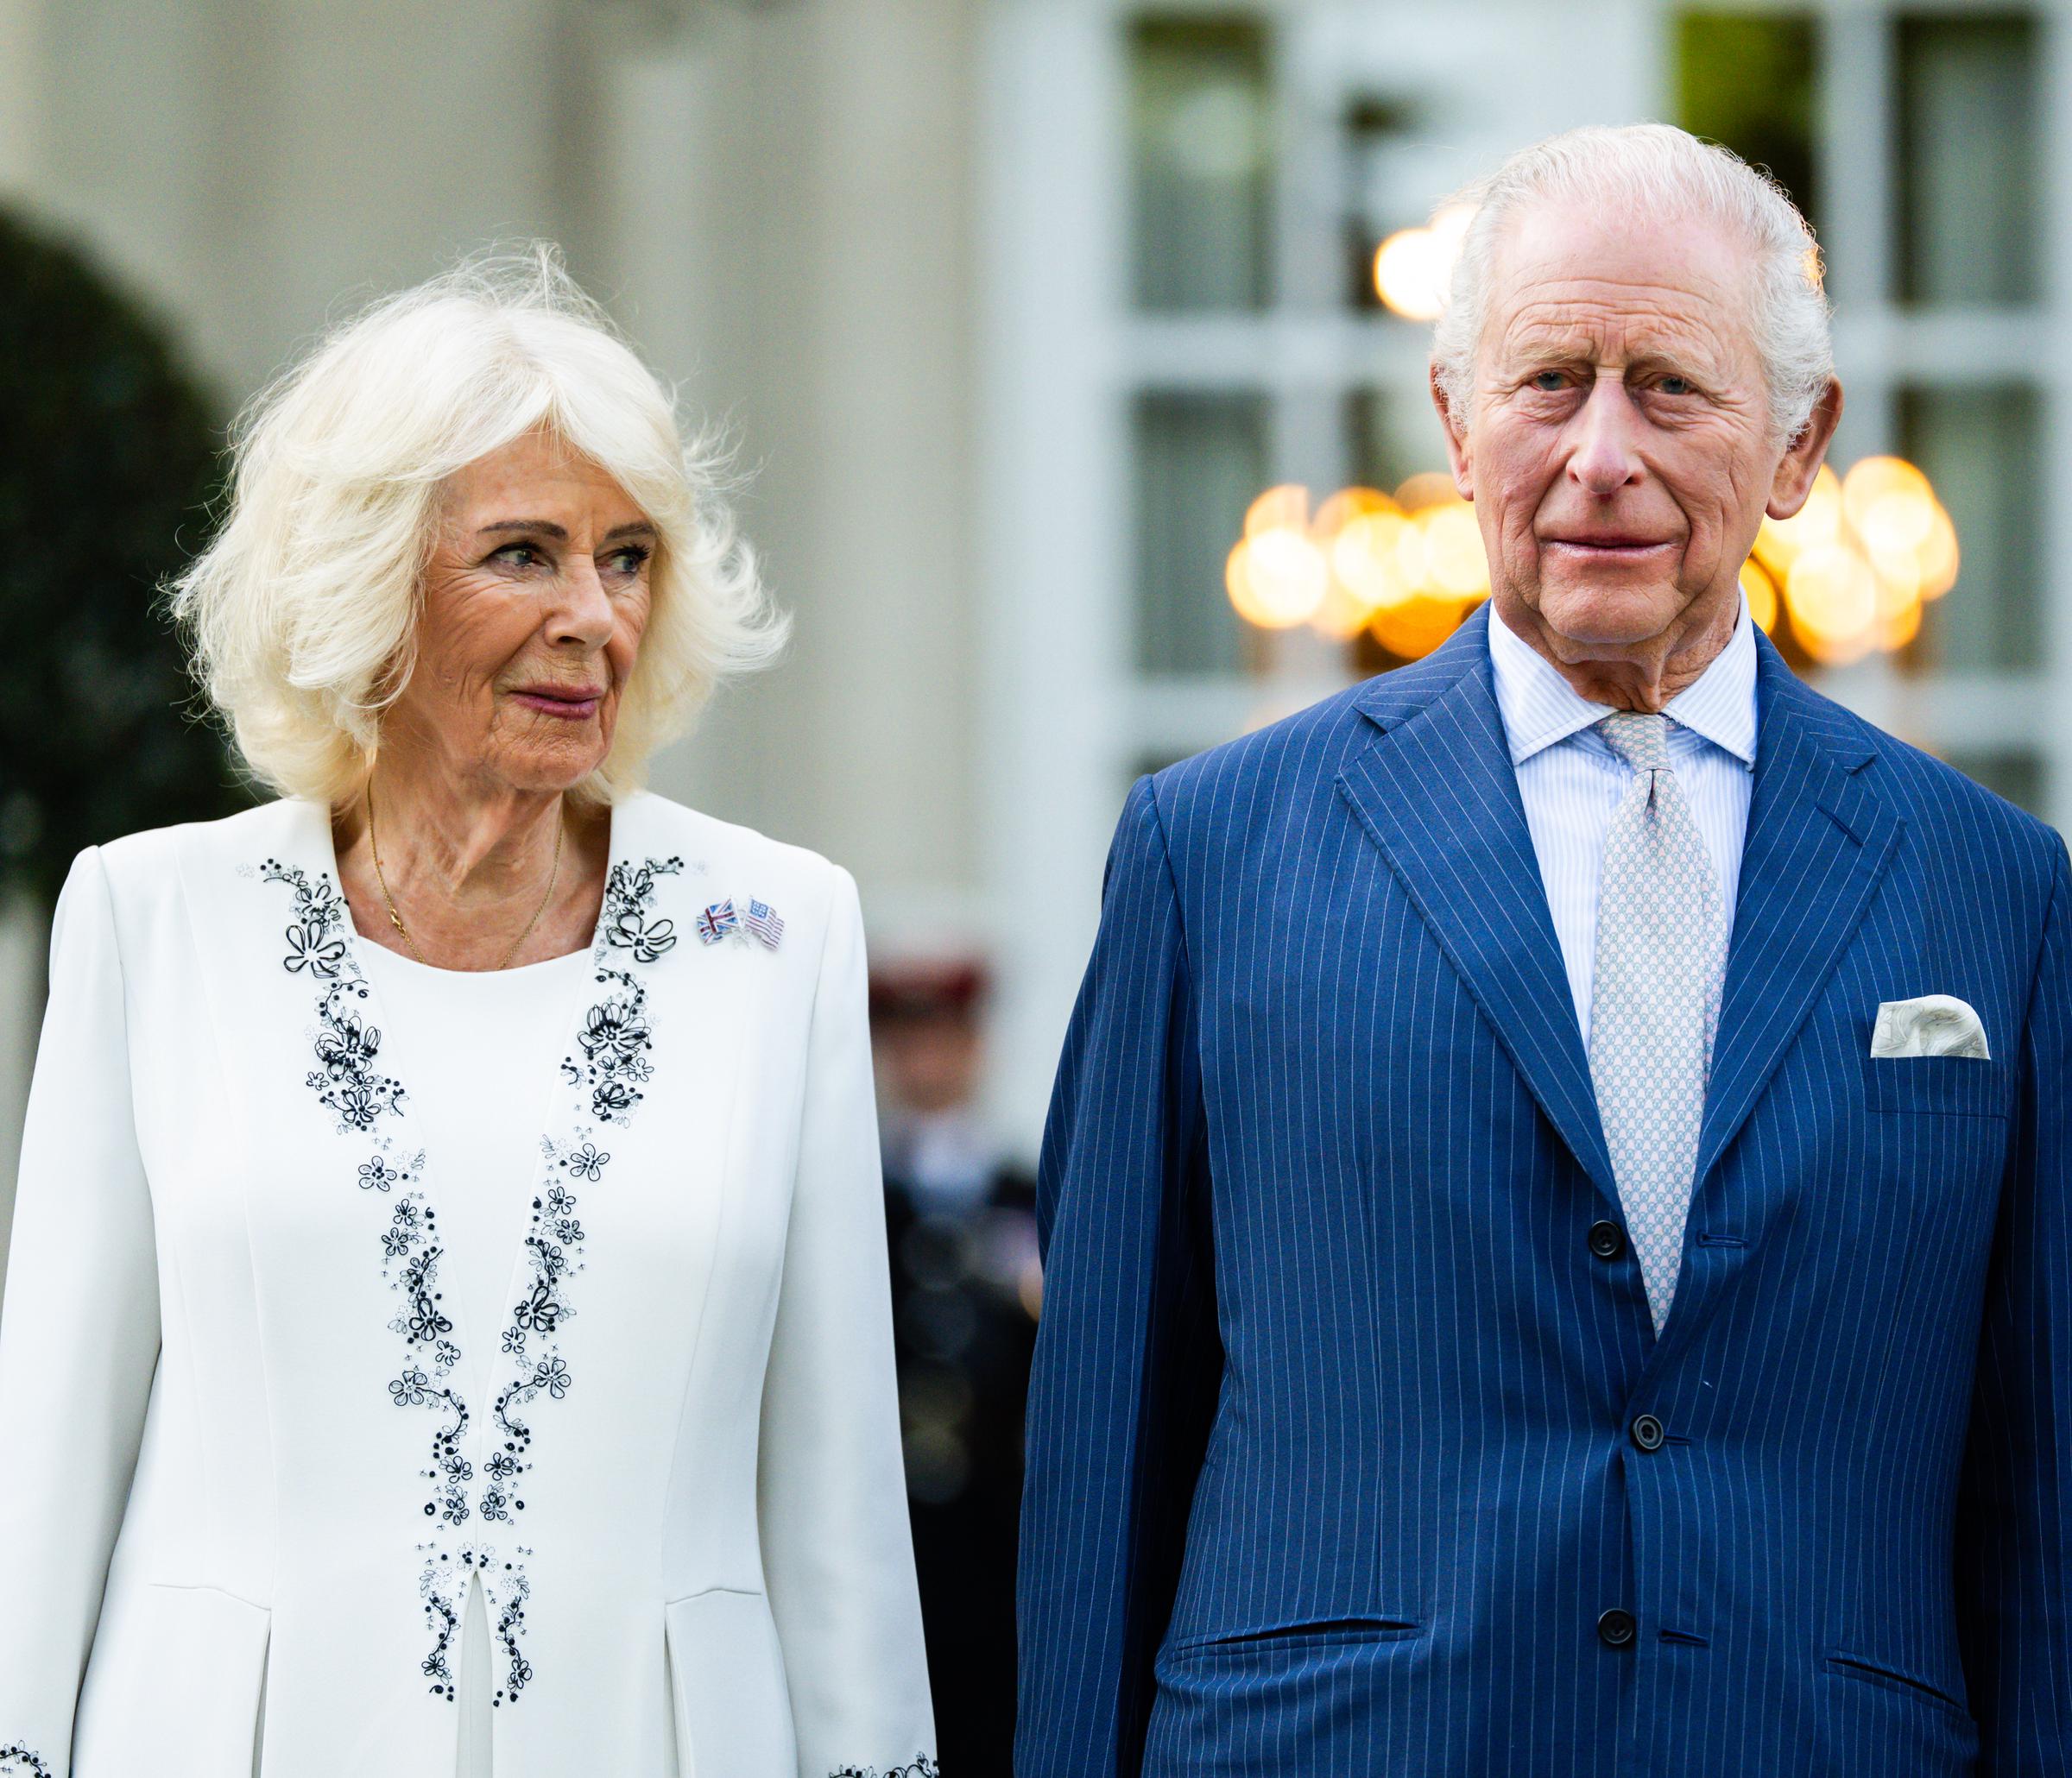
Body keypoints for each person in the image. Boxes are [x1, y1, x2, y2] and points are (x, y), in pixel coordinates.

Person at [1018, 124, 2069, 1778]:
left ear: (1800, 446)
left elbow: (2041, 1503)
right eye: (1548, 382)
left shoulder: (1995, 892)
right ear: (1453, 422)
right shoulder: (1208, 854)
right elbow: (1100, 1459)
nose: (1600, 455)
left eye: (1670, 387)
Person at [0, 253, 937, 1778]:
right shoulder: (152, 919)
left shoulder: (778, 935)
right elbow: (45, 1463)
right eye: (525, 554)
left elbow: (835, 1495)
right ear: (370, 581)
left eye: (628, 559)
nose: (595, 619)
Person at [871, 955, 1040, 1778]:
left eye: (946, 1037)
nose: (927, 1061)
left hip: (1000, 1537)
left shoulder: (1034, 1198)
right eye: (907, 1040)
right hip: (886, 1533)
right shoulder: (852, 1197)